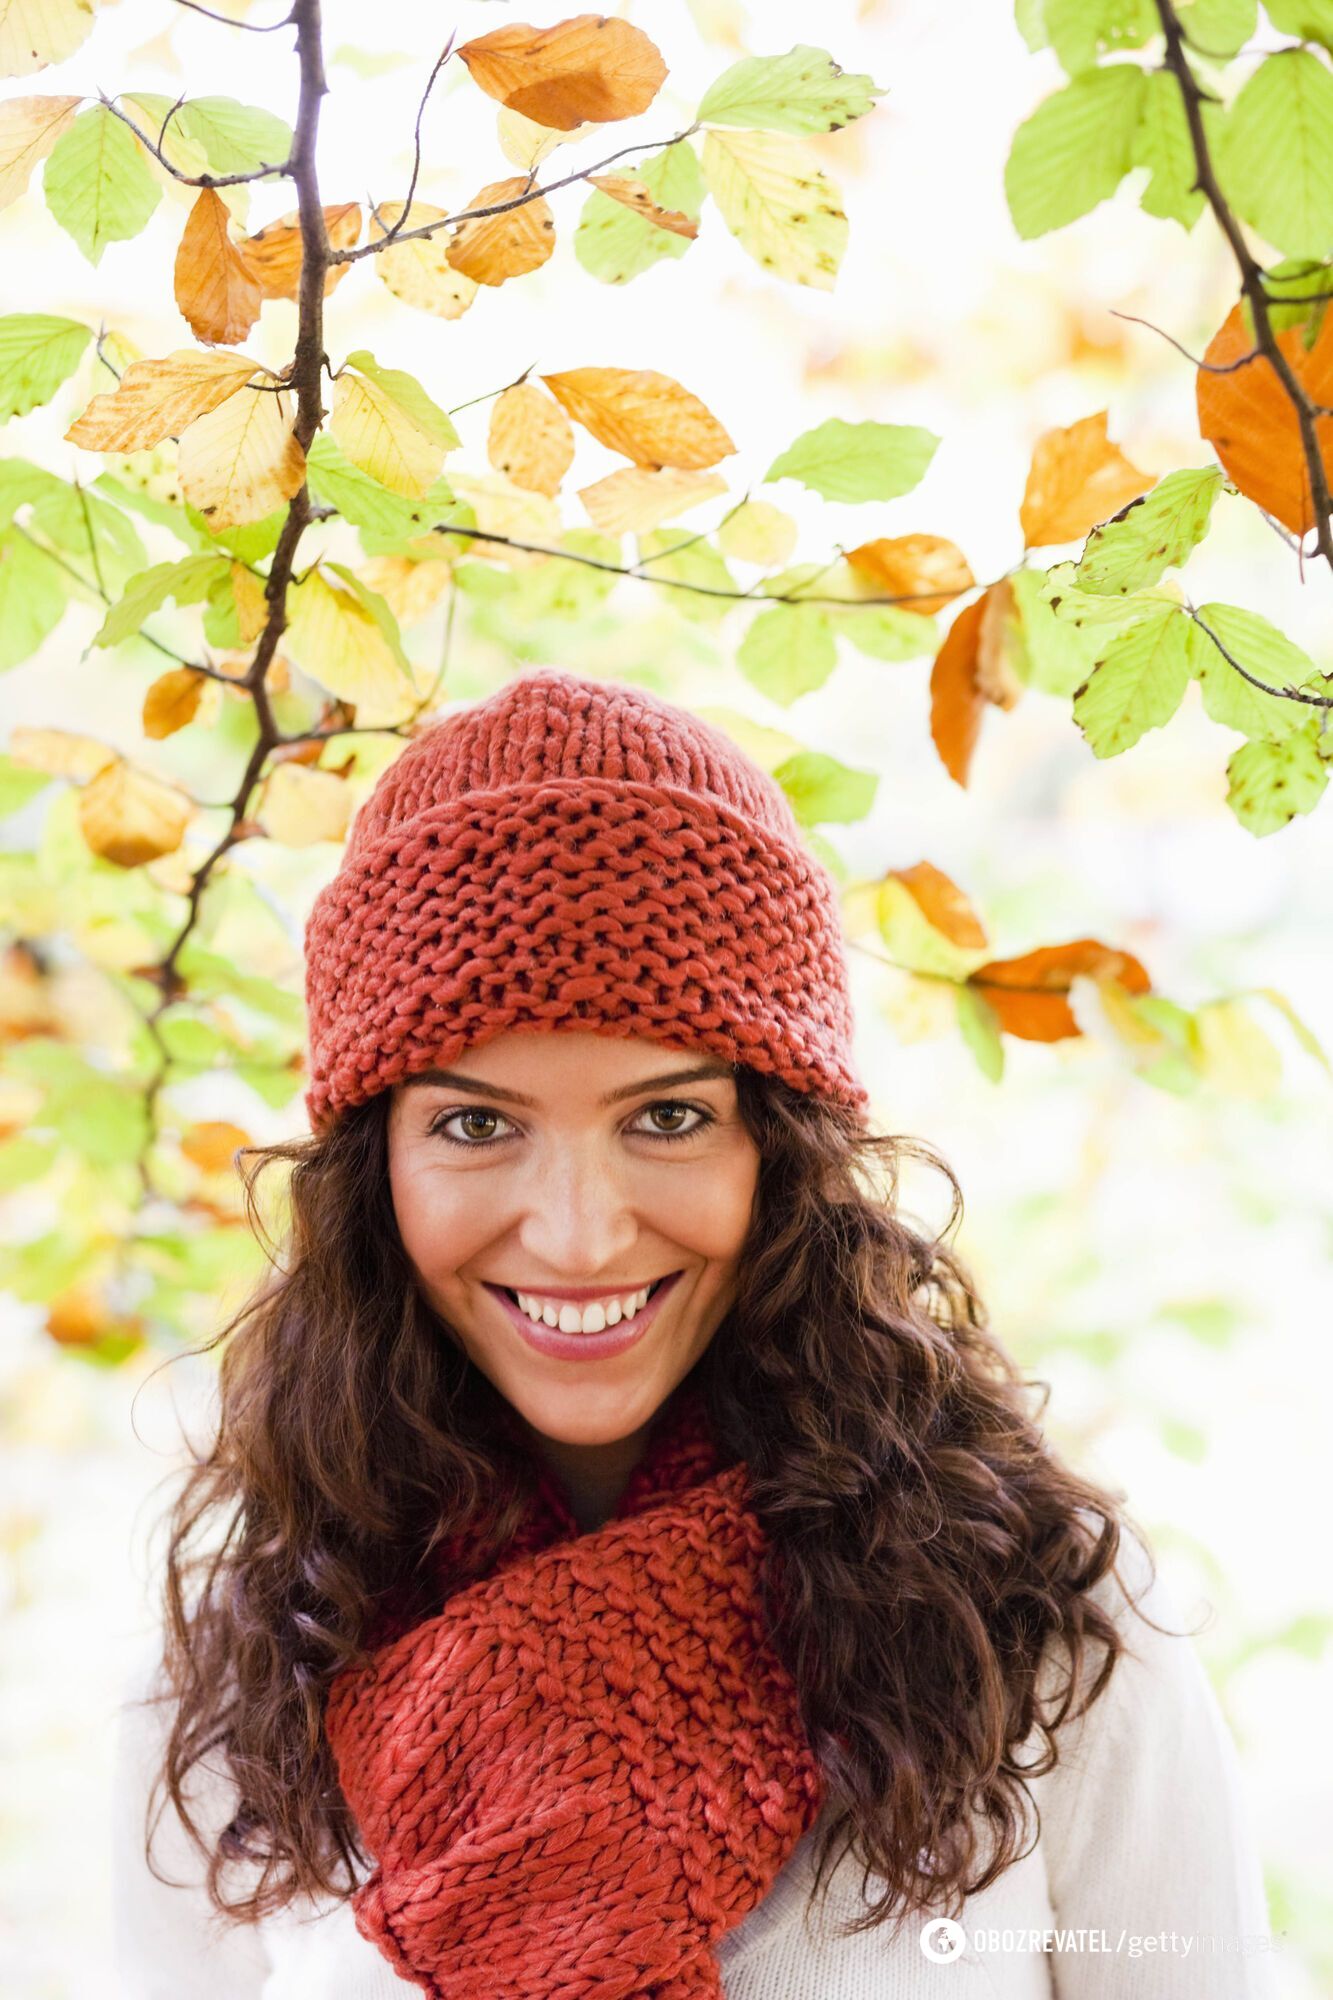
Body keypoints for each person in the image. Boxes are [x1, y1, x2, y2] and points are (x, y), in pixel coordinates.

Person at [111, 668, 1279, 1998]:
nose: (577, 1236)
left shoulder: (1029, 1616)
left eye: (665, 1117)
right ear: (373, 1171)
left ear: (778, 1153)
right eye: (476, 1125)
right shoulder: (248, 1668)